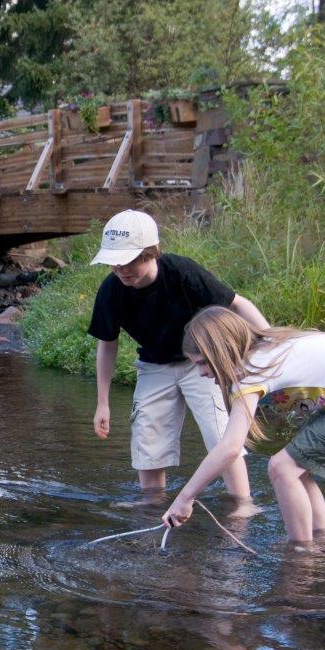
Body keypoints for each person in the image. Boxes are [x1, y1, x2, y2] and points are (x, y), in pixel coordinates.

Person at [162, 306, 325, 544]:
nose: (201, 372)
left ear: (223, 350)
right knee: (297, 465)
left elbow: (230, 448)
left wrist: (185, 498)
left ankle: (302, 552)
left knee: (282, 467)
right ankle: (323, 535)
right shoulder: (263, 347)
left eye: (203, 363)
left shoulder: (251, 373)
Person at [87, 210, 268, 498]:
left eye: (128, 261)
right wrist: (102, 403)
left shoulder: (182, 272)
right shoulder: (111, 290)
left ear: (150, 253)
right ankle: (152, 507)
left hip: (202, 364)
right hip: (154, 366)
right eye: (114, 263)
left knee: (221, 435)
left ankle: (242, 504)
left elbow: (237, 304)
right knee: (148, 442)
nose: (120, 270)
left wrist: (270, 343)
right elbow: (107, 343)